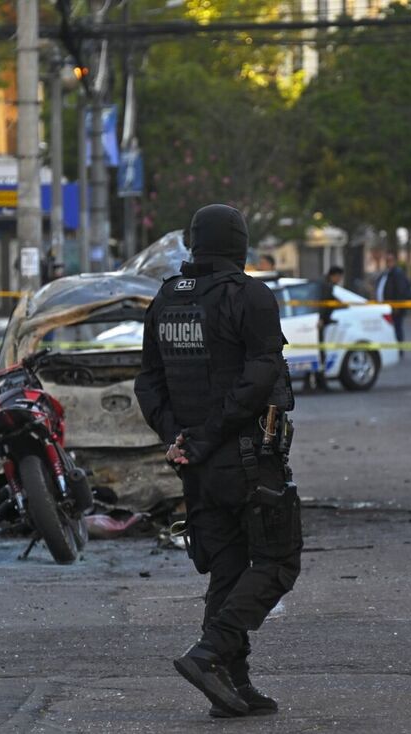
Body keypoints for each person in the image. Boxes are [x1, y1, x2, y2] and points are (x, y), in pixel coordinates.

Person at [135, 204, 301, 718]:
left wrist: (176, 438)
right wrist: (203, 438)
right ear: (240, 244)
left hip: (197, 463)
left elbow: (149, 381)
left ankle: (232, 684)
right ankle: (209, 656)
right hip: (242, 457)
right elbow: (260, 375)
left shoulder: (165, 299)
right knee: (278, 562)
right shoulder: (249, 295)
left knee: (227, 570)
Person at [313, 266, 346, 391]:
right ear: (335, 276)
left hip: (316, 321)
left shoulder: (323, 283)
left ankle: (313, 381)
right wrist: (321, 318)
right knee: (320, 353)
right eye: (339, 277)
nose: (339, 280)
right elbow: (323, 303)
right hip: (318, 323)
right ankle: (320, 382)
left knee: (317, 351)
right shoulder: (326, 285)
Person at [375, 252, 411, 347]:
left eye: (390, 260)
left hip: (395, 308)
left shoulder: (397, 273)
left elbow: (401, 290)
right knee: (389, 329)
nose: (388, 262)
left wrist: (398, 306)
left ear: (395, 261)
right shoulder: (386, 273)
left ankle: (399, 349)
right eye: (387, 261)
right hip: (385, 307)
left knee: (396, 328)